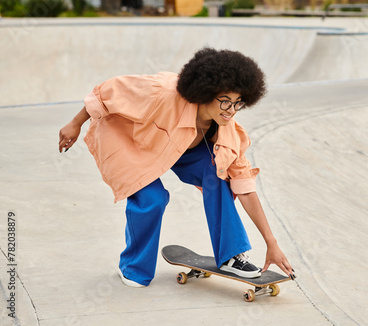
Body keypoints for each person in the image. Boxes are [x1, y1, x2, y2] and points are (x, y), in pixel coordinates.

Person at [58, 47, 295, 288]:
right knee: (153, 198)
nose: (231, 110)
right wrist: (75, 123)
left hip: (180, 148)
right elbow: (108, 92)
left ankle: (230, 255)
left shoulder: (228, 130)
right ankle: (133, 267)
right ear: (206, 92)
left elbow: (244, 187)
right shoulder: (161, 92)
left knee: (219, 172)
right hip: (130, 142)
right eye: (224, 101)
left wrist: (271, 242)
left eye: (238, 103)